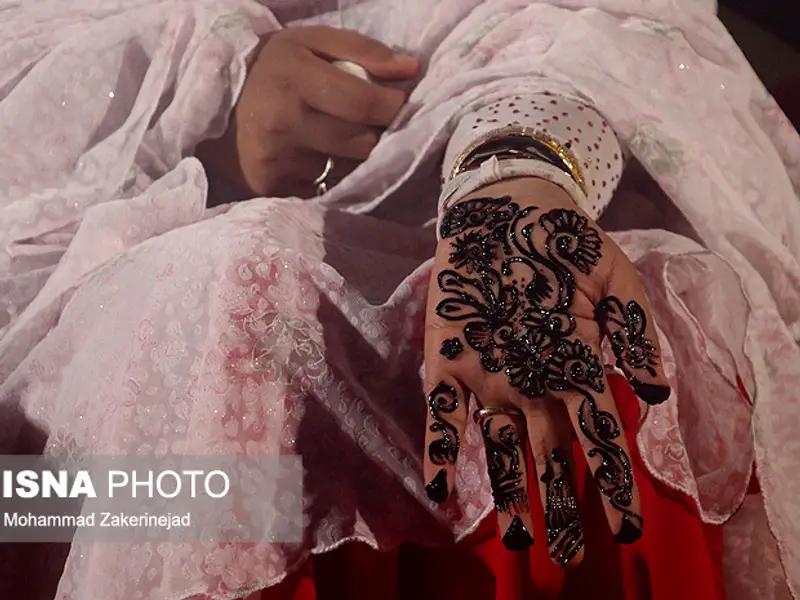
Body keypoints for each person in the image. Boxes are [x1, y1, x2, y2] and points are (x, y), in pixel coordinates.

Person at [0, 1, 798, 598]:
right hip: (60, 399)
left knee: (593, 318)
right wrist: (207, 101)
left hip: (483, 250)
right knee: (218, 303)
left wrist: (512, 175)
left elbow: (601, 30)